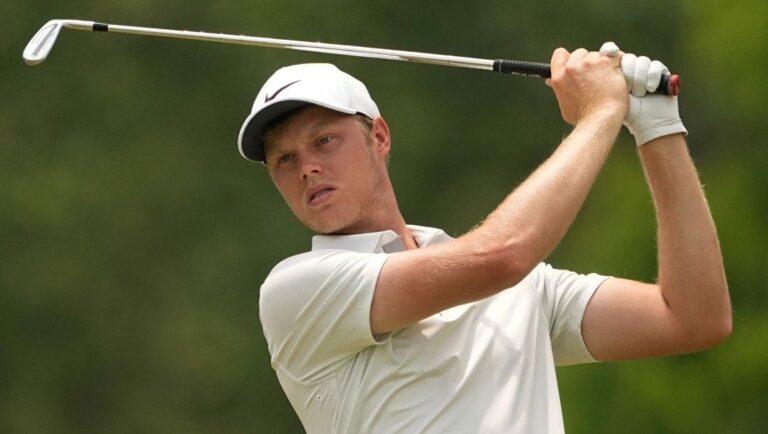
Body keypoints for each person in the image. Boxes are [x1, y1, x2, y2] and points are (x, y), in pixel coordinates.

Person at [237, 42, 732, 433]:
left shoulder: (524, 292)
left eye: (324, 140)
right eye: (285, 159)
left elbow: (692, 317)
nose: (307, 168)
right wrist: (601, 113)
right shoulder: (296, 290)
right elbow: (501, 255)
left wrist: (656, 127)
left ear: (379, 138)